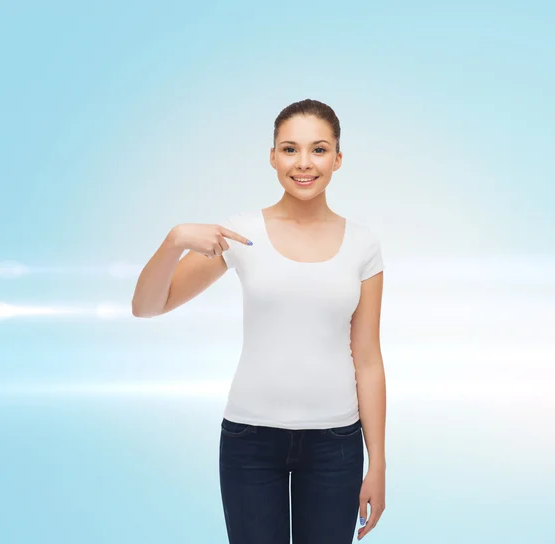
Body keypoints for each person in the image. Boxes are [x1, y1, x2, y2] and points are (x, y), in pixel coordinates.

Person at [131, 98, 386, 543]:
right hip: (250, 442)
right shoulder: (241, 234)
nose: (303, 163)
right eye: (289, 149)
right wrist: (173, 242)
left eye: (319, 149)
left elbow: (367, 359)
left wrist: (377, 462)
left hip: (336, 445)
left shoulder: (363, 244)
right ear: (272, 156)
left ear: (338, 159)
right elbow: (148, 306)